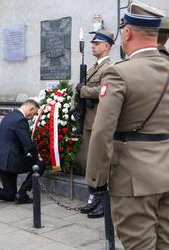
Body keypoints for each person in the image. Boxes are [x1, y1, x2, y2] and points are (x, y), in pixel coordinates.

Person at [85, 1, 169, 249]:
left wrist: (96, 181)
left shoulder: (120, 73)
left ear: (128, 32)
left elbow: (102, 132)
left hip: (134, 179)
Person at [0, 99, 46, 204]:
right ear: (31, 108)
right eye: (34, 114)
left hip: (0, 161)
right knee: (40, 164)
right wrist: (36, 157)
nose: (32, 117)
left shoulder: (9, 116)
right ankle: (22, 193)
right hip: (11, 161)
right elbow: (29, 145)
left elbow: (14, 140)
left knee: (10, 194)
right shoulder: (20, 120)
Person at [75, 29, 114, 218]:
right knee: (91, 161)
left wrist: (83, 91)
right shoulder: (93, 67)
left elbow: (103, 91)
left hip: (99, 120)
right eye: (93, 43)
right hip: (89, 119)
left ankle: (102, 201)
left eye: (97, 43)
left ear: (107, 46)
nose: (93, 46)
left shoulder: (109, 68)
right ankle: (94, 198)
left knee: (100, 162)